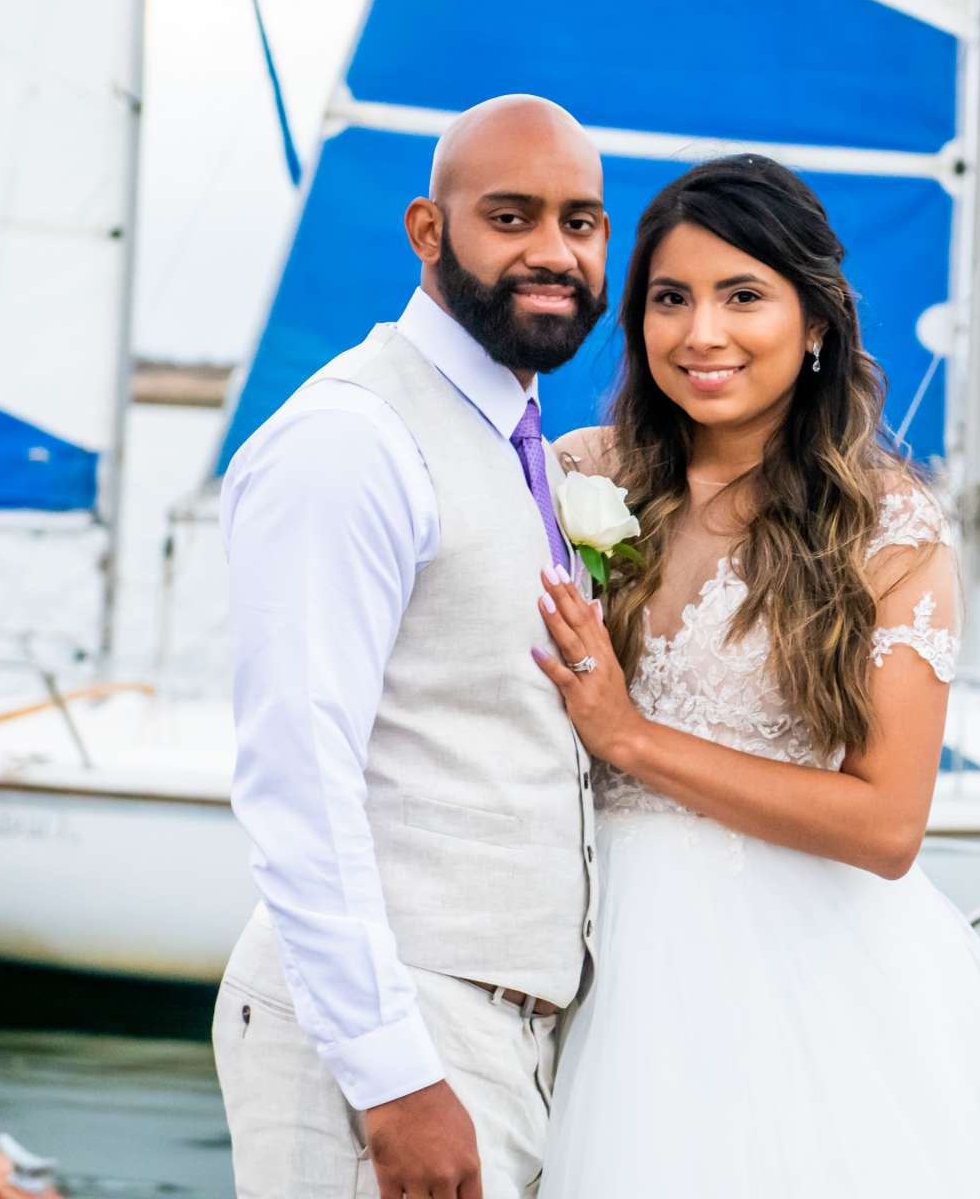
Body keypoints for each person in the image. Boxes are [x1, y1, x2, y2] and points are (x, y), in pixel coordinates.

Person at [531, 155, 980, 1195]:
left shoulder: (890, 533)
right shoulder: (579, 475)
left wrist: (629, 738)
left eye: (743, 296)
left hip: (777, 983)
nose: (700, 332)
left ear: (815, 325)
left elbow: (889, 825)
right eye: (670, 298)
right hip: (558, 948)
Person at [213, 94, 608, 1199]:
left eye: (581, 221)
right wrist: (393, 1077)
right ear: (428, 231)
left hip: (500, 1030)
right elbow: (298, 771)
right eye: (512, 216)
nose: (554, 251)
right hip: (400, 1025)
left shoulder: (521, 442)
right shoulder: (352, 442)